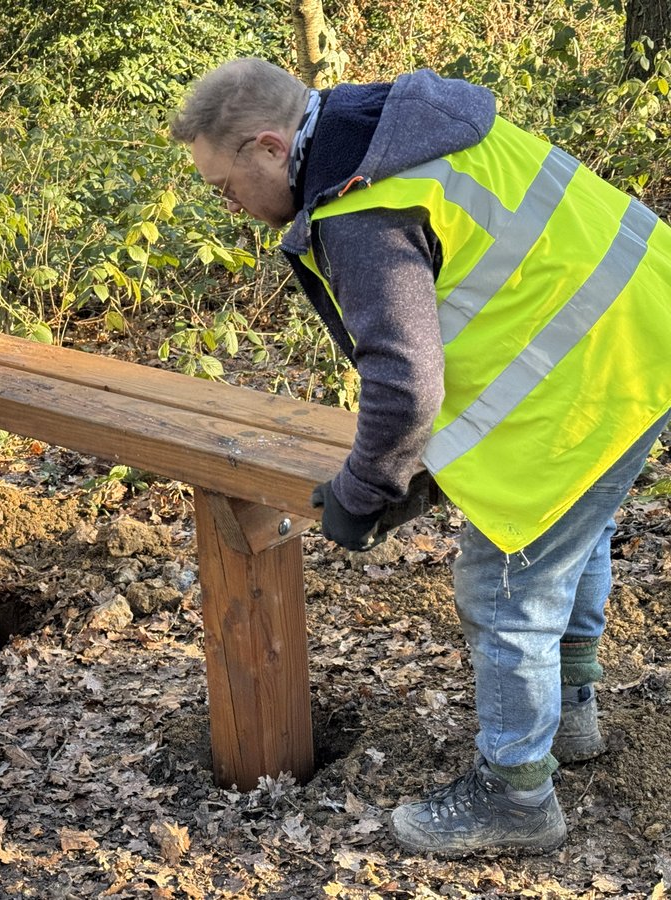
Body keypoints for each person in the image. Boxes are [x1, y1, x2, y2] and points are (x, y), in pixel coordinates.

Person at [172, 59, 671, 856]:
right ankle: (571, 712)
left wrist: (365, 491)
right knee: (573, 529)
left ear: (270, 146)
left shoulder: (364, 208)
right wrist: (410, 477)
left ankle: (516, 797)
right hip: (644, 327)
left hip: (589, 376)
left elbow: (404, 385)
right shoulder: (405, 126)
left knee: (506, 583)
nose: (230, 206)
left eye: (225, 187)